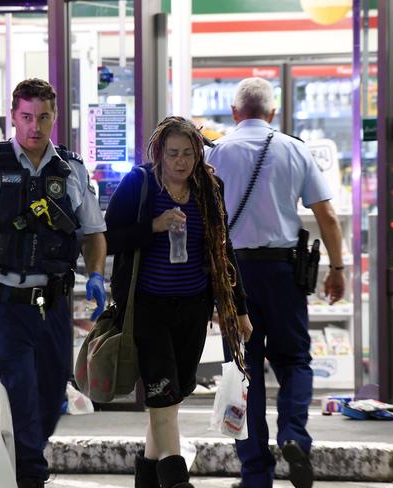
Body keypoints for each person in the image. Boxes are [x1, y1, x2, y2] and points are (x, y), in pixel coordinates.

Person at [0, 78, 107, 488]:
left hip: (55, 305)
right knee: (21, 394)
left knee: (50, 397)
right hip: (2, 304)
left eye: (43, 117)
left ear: (55, 118)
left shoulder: (72, 169)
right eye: (27, 117)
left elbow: (93, 233)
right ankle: (29, 477)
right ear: (13, 117)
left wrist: (96, 273)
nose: (35, 126)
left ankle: (21, 462)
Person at [205, 77, 346, 488]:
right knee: (295, 360)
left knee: (244, 372)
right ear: (272, 114)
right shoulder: (293, 148)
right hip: (284, 274)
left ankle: (255, 474)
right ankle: (293, 435)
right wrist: (337, 270)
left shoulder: (218, 153)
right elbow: (328, 217)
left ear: (235, 113)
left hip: (235, 277)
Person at [105, 116, 253, 488]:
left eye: (188, 153)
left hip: (192, 309)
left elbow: (223, 250)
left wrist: (238, 308)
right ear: (159, 153)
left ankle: (147, 478)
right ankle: (176, 481)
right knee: (162, 393)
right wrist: (151, 227)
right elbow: (108, 239)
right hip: (147, 309)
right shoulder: (138, 185)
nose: (181, 161)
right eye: (173, 153)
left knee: (169, 400)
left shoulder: (209, 187)